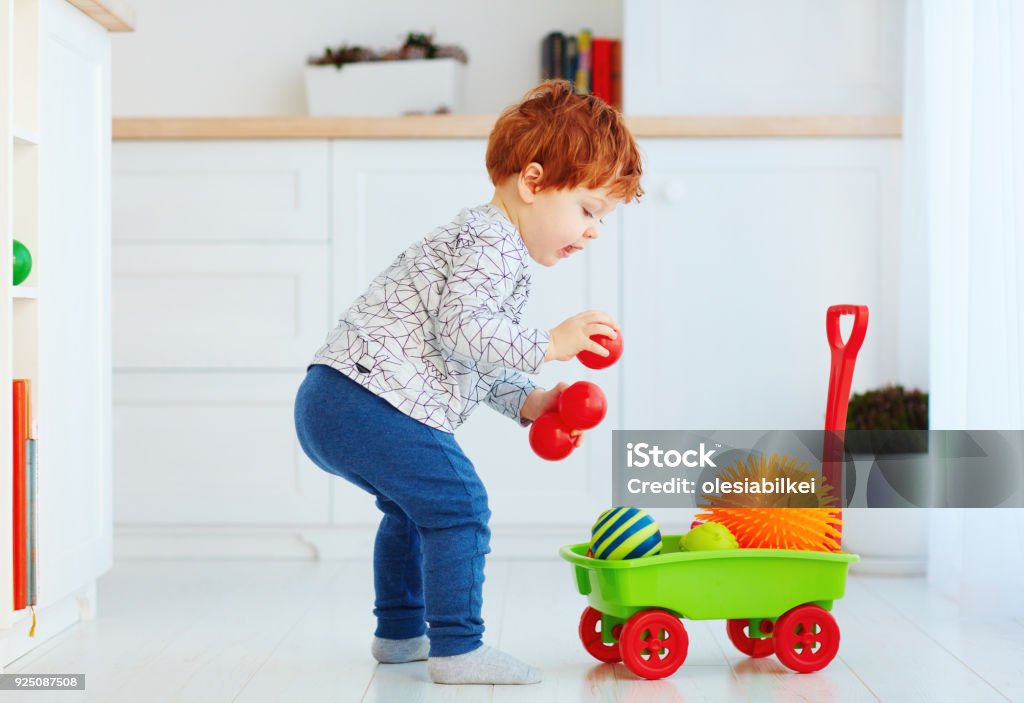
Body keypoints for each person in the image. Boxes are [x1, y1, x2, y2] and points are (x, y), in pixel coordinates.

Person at [293, 79, 643, 685]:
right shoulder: (490, 240)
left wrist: (531, 402)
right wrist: (550, 344)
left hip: (338, 397)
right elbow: (465, 328)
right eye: (588, 210)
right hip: (369, 398)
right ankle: (458, 648)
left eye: (601, 220)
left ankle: (400, 634)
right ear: (532, 183)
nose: (592, 231)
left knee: (414, 508)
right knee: (460, 504)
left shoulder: (493, 247)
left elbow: (473, 356)